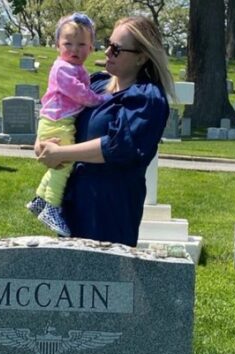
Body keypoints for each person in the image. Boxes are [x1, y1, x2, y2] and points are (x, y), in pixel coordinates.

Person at [36, 16, 175, 247]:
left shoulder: (147, 98)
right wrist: (41, 143)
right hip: (75, 202)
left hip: (110, 209)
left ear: (141, 57)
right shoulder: (97, 84)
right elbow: (59, 107)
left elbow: (117, 146)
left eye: (117, 49)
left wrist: (62, 154)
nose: (107, 52)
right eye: (108, 44)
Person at [26, 13, 111, 237]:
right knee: (63, 166)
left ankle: (39, 199)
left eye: (82, 44)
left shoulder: (78, 69)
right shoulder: (63, 68)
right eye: (68, 44)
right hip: (57, 121)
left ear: (91, 47)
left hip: (59, 121)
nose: (75, 49)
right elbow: (80, 93)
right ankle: (52, 207)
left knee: (58, 165)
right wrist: (100, 99)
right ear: (57, 45)